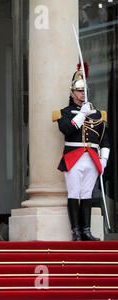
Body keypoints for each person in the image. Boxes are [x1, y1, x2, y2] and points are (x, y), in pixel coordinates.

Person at [53, 63, 110, 241]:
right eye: (79, 90)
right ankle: (76, 231)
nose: (82, 93)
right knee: (74, 193)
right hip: (74, 157)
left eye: (84, 90)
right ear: (72, 93)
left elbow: (105, 139)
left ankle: (86, 231)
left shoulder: (97, 114)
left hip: (92, 158)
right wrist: (81, 115)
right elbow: (67, 130)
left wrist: (104, 159)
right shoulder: (65, 113)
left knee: (87, 194)